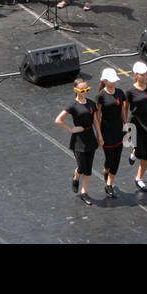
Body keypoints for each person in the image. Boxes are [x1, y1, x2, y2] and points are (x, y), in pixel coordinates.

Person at [55, 76, 98, 205]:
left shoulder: (91, 103)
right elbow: (58, 120)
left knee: (89, 168)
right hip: (79, 140)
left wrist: (99, 136)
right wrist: (71, 129)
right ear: (76, 90)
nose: (85, 91)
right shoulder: (72, 105)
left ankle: (84, 193)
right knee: (81, 167)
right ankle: (76, 178)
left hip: (90, 137)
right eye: (82, 89)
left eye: (87, 89)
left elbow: (95, 120)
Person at [93, 68, 128, 199]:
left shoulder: (120, 93)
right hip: (106, 130)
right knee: (110, 158)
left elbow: (123, 110)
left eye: (115, 81)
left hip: (118, 129)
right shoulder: (100, 96)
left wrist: (125, 124)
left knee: (117, 159)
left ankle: (109, 184)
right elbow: (96, 116)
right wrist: (99, 135)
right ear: (105, 81)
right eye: (111, 81)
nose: (114, 83)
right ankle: (106, 170)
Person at [126, 61, 147, 192]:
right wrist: (125, 126)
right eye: (143, 75)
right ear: (136, 75)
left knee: (146, 154)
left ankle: (139, 178)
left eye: (146, 74)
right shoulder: (130, 91)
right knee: (139, 152)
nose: (145, 77)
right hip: (134, 124)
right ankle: (133, 153)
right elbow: (125, 108)